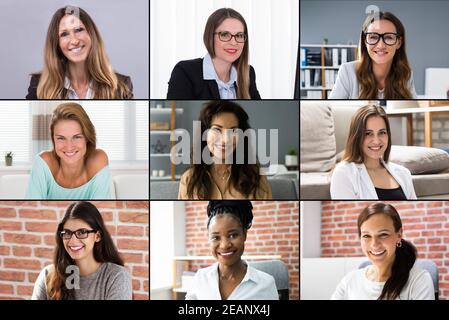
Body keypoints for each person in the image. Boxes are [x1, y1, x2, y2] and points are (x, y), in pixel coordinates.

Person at [331, 202, 435, 300]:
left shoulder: (419, 281)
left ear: (399, 235)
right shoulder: (350, 281)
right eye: (367, 236)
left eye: (383, 234)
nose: (374, 244)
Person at [26, 5, 133, 99]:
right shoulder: (38, 85)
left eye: (79, 30)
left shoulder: (122, 85)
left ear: (91, 34)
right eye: (64, 34)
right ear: (56, 44)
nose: (74, 41)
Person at [31, 201, 132, 300]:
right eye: (67, 233)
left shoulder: (117, 276)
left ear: (97, 236)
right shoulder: (48, 275)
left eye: (82, 232)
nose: (73, 240)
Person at [178, 101, 272, 199]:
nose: (225, 140)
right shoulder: (189, 179)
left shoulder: (257, 178)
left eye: (233, 131)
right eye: (217, 130)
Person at [185, 201, 279, 300]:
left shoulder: (266, 283)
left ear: (244, 235)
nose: (225, 245)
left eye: (233, 235)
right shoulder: (200, 278)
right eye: (216, 237)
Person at [167, 8, 260, 99]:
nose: (234, 42)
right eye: (225, 34)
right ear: (210, 37)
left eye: (239, 35)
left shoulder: (248, 72)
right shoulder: (185, 72)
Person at [26, 102, 112, 199]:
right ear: (53, 139)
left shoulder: (98, 160)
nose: (69, 146)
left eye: (77, 137)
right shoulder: (43, 162)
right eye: (61, 138)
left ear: (87, 137)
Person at [331, 105, 416, 200]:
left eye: (382, 132)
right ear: (357, 136)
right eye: (368, 133)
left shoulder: (403, 173)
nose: (376, 141)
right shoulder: (344, 173)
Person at [329, 11, 416, 99]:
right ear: (364, 40)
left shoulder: (406, 74)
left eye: (389, 37)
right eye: (373, 37)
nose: (381, 45)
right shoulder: (347, 71)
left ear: (399, 43)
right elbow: (330, 107)